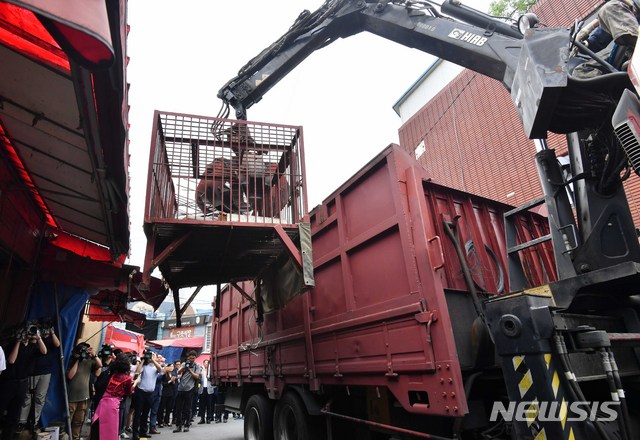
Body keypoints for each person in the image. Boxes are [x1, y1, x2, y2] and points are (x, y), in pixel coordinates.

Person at [0, 322, 47, 440]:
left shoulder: (33, 346)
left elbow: (44, 351)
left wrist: (38, 337)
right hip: (9, 382)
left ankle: (7, 437)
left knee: (14, 414)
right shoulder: (12, 344)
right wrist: (18, 341)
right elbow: (11, 360)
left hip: (23, 382)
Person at [18, 318, 60, 432]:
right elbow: (33, 344)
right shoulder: (35, 335)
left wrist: (52, 332)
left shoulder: (50, 338)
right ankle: (21, 421)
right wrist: (37, 334)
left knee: (40, 398)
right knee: (27, 396)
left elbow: (57, 344)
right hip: (33, 370)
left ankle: (34, 422)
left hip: (46, 371)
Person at [91, 353, 139, 440]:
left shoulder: (108, 374)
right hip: (115, 405)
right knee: (112, 429)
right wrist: (135, 383)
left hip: (102, 402)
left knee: (97, 427)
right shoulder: (126, 378)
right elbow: (128, 392)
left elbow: (98, 385)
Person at [67, 342, 102, 440]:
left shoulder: (89, 361)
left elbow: (100, 365)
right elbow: (70, 376)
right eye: (83, 350)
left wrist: (94, 355)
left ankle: (75, 438)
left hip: (84, 397)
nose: (85, 352)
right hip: (72, 397)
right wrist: (78, 360)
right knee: (68, 420)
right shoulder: (72, 361)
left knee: (78, 421)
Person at [131, 350, 162, 440]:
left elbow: (160, 369)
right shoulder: (144, 366)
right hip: (141, 392)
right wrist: (143, 360)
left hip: (150, 393)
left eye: (152, 355)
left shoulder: (155, 367)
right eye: (149, 355)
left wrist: (153, 360)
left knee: (145, 414)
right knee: (137, 414)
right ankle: (135, 434)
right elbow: (137, 372)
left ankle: (143, 433)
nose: (150, 356)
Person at [172, 352, 202, 433]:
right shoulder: (184, 364)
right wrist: (184, 368)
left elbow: (197, 376)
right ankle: (178, 426)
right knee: (178, 408)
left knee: (187, 409)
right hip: (180, 388)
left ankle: (186, 425)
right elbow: (178, 372)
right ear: (188, 357)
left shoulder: (197, 366)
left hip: (190, 389)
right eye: (190, 358)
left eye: (193, 358)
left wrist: (189, 371)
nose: (191, 360)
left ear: (195, 358)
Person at [156, 362, 177, 427]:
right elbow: (162, 383)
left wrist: (173, 381)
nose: (171, 368)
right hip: (164, 393)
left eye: (173, 366)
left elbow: (174, 385)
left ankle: (167, 421)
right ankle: (160, 421)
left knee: (169, 408)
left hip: (171, 393)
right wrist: (170, 381)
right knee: (162, 408)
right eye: (170, 366)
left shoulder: (173, 374)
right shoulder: (164, 374)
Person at [197, 359, 214, 424]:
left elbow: (213, 379)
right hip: (202, 389)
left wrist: (208, 376)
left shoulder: (211, 371)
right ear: (203, 363)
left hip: (209, 389)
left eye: (207, 363)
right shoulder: (201, 370)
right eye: (205, 363)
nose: (206, 364)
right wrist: (199, 377)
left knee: (209, 405)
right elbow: (198, 380)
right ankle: (202, 418)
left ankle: (208, 418)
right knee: (202, 405)